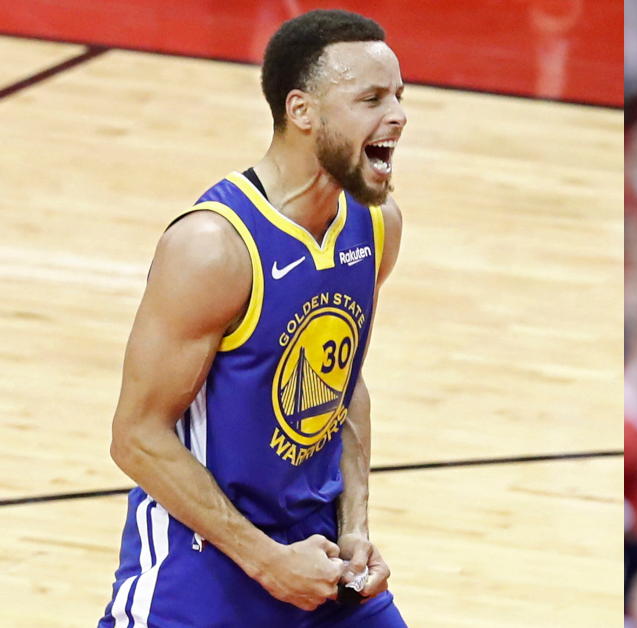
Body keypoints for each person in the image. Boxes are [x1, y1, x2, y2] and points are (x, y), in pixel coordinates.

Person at [99, 10, 407, 627]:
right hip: (203, 567)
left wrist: (355, 526)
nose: (398, 115)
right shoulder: (213, 247)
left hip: (318, 556)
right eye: (372, 99)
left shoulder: (376, 226)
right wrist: (268, 562)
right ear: (302, 111)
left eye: (400, 96)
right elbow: (136, 437)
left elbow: (344, 387)